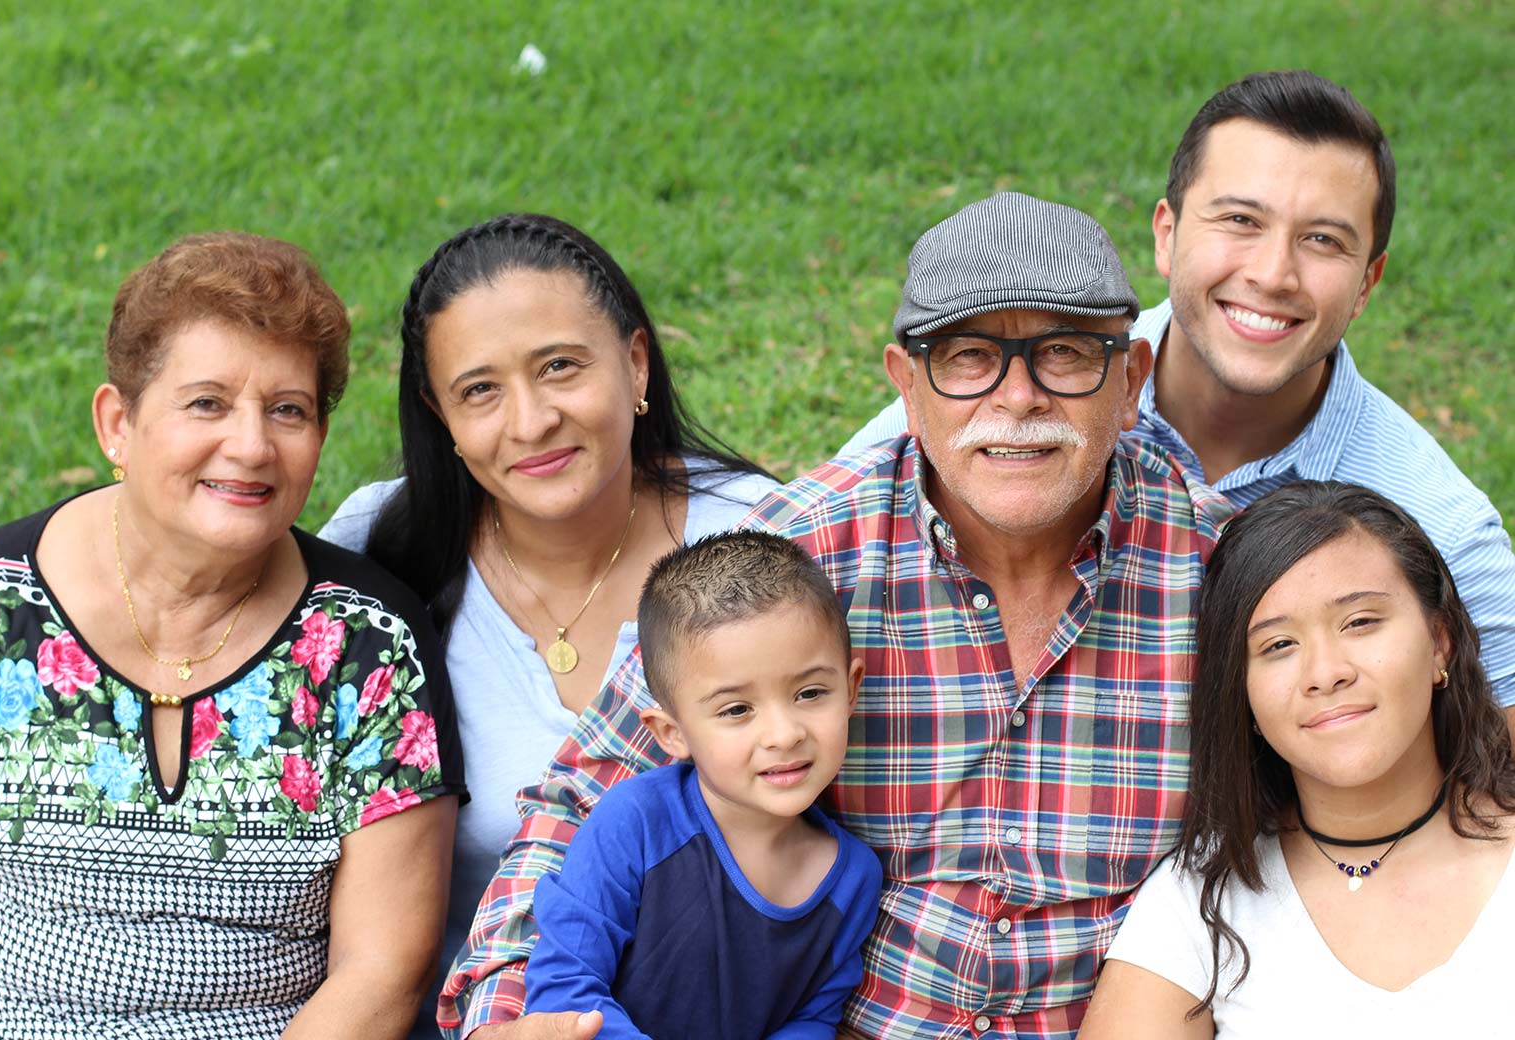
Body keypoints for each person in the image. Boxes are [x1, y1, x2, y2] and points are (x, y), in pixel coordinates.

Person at [440, 192, 1231, 1039]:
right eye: (968, 357)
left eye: (1067, 353)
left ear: (1131, 381)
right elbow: (585, 799)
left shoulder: (1222, 575)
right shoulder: (802, 555)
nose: (1020, 397)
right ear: (905, 384)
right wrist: (506, 1013)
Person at [838, 70, 1515, 713]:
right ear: (1166, 234)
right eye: (1241, 222)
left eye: (1322, 239)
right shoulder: (1023, 388)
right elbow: (834, 523)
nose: (1273, 273)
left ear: (1367, 283)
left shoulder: (1440, 525)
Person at [0, 232, 465, 1038]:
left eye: (288, 410)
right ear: (117, 423)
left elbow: (383, 973)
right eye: (207, 403)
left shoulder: (366, 643)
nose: (252, 445)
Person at [318, 214, 776, 1039]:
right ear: (440, 415)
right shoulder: (378, 555)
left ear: (635, 361)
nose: (530, 423)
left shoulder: (763, 543)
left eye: (559, 367)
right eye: (480, 390)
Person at [1079, 481, 1515, 1037]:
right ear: (1243, 694)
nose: (1326, 672)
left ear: (1439, 643)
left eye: (1360, 622)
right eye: (1278, 646)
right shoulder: (1200, 902)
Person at [524, 530, 881, 1040]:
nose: (784, 734)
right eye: (737, 709)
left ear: (851, 688)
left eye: (809, 692)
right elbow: (566, 983)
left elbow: (811, 1018)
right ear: (673, 733)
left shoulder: (853, 880)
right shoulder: (635, 823)